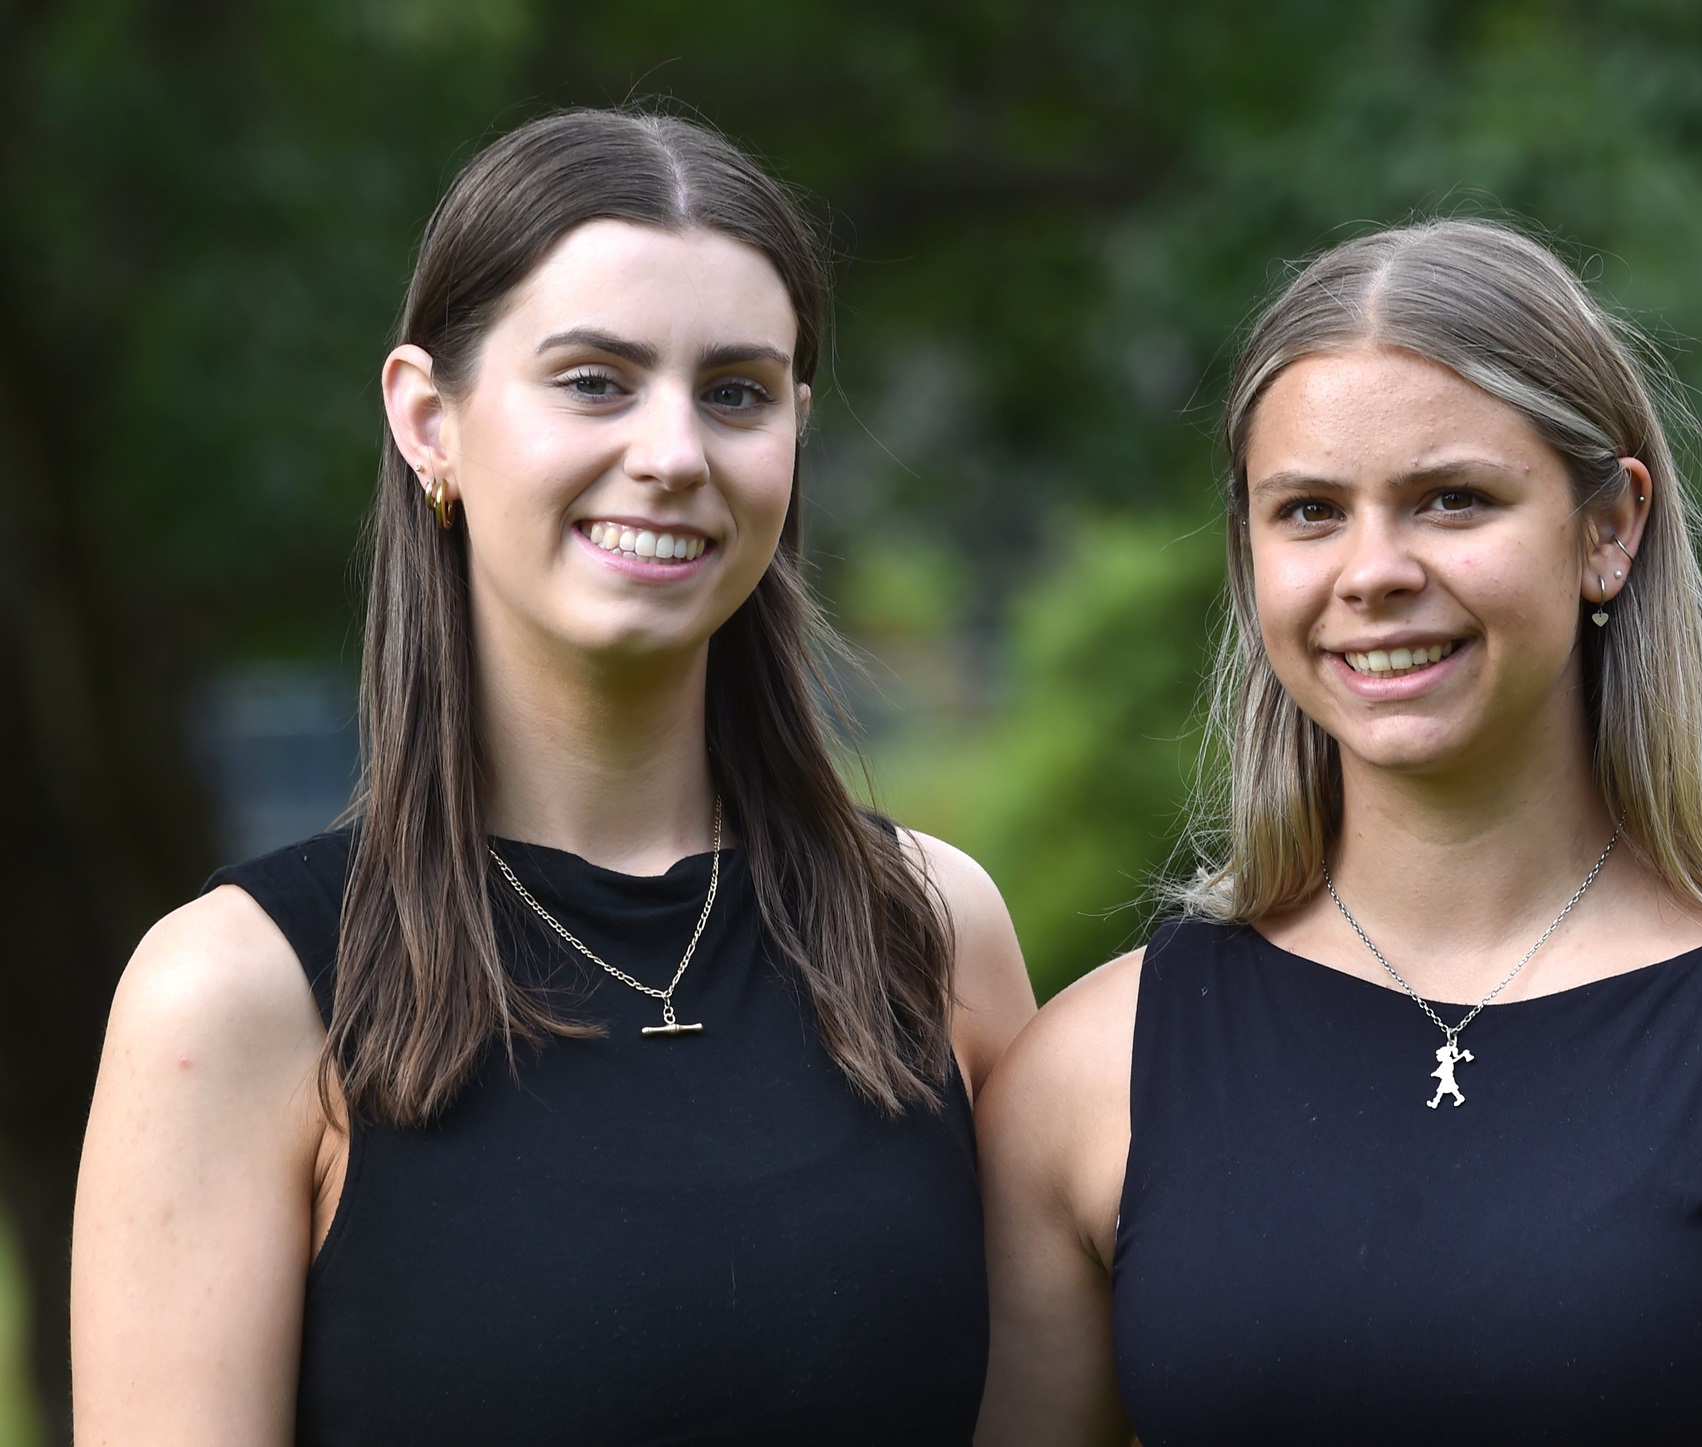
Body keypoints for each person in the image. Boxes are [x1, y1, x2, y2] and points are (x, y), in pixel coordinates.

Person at [973, 218, 1702, 1446]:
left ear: (1608, 530)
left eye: (1452, 499)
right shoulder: (1087, 1077)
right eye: (1310, 512)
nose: (1372, 570)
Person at [71, 108, 1035, 1446]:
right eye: (593, 379)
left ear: (793, 432)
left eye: (737, 392)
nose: (673, 453)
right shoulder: (237, 995)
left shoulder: (932, 932)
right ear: (428, 419)